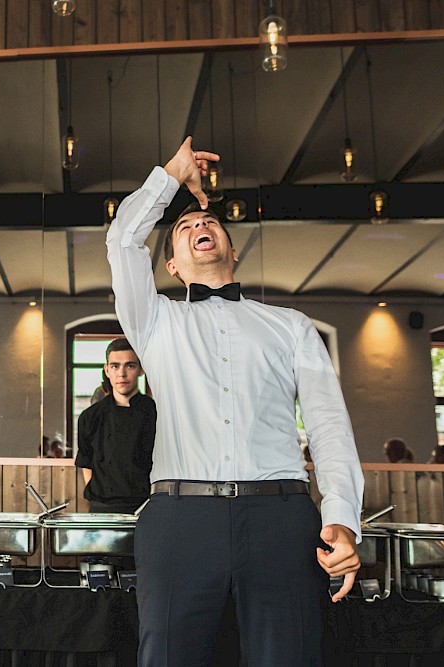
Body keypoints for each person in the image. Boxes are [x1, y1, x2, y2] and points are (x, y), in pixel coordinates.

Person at [106, 137, 363, 666]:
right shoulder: (154, 321)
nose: (200, 226)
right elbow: (122, 241)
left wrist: (341, 516)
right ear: (172, 266)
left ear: (233, 248)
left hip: (281, 518)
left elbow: (329, 425)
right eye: (184, 228)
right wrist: (172, 177)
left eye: (210, 224)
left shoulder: (291, 327)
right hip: (179, 519)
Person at [75, 338, 156, 514]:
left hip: (146, 508)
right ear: (107, 370)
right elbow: (86, 462)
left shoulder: (155, 414)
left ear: (141, 369)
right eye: (115, 366)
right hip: (101, 509)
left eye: (130, 366)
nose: (122, 374)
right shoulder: (90, 417)